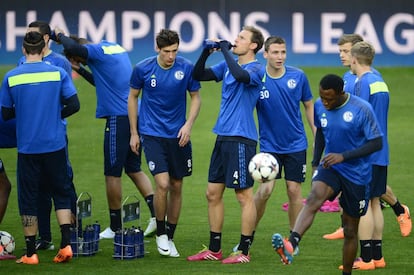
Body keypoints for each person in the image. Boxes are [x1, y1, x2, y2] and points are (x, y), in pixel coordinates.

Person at [271, 74, 383, 275]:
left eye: (329, 98)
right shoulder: (319, 106)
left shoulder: (362, 109)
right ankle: (292, 243)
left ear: (341, 93)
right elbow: (321, 132)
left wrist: (344, 156)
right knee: (314, 197)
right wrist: (315, 163)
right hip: (331, 166)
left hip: (357, 175)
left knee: (350, 231)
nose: (324, 102)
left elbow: (376, 143)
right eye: (322, 97)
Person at [53, 29, 157, 240]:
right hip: (134, 113)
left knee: (112, 173)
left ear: (78, 56)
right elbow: (105, 81)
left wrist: (59, 36)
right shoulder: (110, 47)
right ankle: (157, 216)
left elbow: (73, 47)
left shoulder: (93, 52)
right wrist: (81, 70)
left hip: (118, 117)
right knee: (134, 168)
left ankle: (116, 226)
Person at [187, 26, 265, 264]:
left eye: (241, 38)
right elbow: (198, 75)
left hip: (242, 138)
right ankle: (214, 249)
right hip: (223, 137)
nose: (235, 40)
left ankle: (243, 251)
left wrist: (224, 50)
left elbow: (241, 76)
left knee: (243, 196)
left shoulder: (256, 68)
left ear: (253, 45)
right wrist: (206, 53)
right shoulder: (228, 66)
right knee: (212, 193)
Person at [0, 31, 80, 264]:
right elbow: (74, 104)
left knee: (29, 198)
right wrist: (54, 115)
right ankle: (65, 246)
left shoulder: (11, 77)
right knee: (61, 192)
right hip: (54, 144)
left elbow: (5, 113)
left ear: (24, 50)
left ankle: (30, 253)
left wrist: (26, 112)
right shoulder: (57, 73)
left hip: (28, 147)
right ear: (44, 48)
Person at [323, 34, 411, 240]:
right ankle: (355, 234)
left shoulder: (365, 80)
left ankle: (396, 213)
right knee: (367, 197)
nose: (342, 56)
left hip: (364, 148)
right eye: (340, 52)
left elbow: (357, 116)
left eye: (345, 51)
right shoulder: (349, 78)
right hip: (373, 147)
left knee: (368, 198)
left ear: (356, 53)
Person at [128, 29, 201, 257]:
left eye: (175, 51)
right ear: (157, 48)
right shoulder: (142, 68)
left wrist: (188, 125)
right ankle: (160, 232)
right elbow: (132, 97)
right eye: (167, 51)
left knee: (177, 186)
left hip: (178, 134)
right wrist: (134, 132)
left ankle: (170, 236)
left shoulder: (186, 67)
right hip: (152, 134)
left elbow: (196, 98)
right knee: (162, 183)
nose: (171, 56)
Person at [252, 36, 315, 236]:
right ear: (266, 54)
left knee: (294, 191)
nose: (280, 57)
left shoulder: (298, 76)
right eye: (275, 52)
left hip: (296, 144)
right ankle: (248, 235)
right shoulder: (257, 78)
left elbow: (309, 105)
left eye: (283, 52)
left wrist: (318, 136)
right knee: (265, 191)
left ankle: (293, 240)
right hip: (269, 146)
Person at [338, 41, 389, 270]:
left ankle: (366, 259)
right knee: (376, 202)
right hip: (381, 149)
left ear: (355, 60)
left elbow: (357, 119)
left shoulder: (361, 83)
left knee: (364, 205)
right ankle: (378, 256)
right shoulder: (380, 81)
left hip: (365, 153)